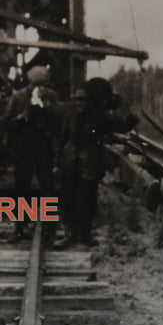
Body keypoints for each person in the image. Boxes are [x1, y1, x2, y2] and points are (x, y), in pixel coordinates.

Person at [54, 77, 139, 250]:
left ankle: (84, 236)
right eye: (78, 100)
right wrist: (58, 162)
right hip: (70, 164)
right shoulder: (70, 114)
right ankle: (69, 234)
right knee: (67, 200)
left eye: (83, 100)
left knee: (87, 201)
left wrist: (125, 107)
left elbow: (124, 125)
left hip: (89, 165)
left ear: (91, 101)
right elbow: (62, 139)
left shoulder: (100, 118)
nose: (80, 103)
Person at [4, 65, 60, 243]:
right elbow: (6, 122)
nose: (41, 87)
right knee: (21, 188)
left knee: (48, 189)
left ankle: (50, 230)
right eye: (38, 84)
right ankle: (19, 228)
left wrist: (46, 106)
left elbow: (58, 119)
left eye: (44, 84)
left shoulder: (51, 96)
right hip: (24, 148)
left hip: (44, 147)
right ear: (31, 82)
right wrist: (20, 119)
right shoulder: (18, 96)